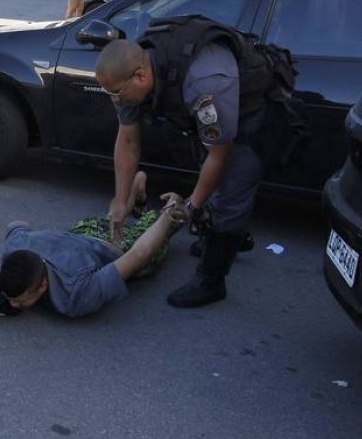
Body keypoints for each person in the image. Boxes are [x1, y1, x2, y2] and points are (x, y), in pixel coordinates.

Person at [94, 31, 269, 309]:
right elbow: (127, 138)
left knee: (229, 192)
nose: (114, 100)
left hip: (249, 117)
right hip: (211, 120)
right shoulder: (128, 76)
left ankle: (211, 280)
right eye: (109, 93)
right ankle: (230, 239)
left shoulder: (205, 83)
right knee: (210, 184)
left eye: (116, 93)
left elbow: (219, 156)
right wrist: (120, 200)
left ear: (140, 77)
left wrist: (188, 210)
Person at [0, 176, 188, 320]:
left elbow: (138, 255)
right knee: (112, 220)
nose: (14, 305)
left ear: (43, 285)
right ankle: (136, 191)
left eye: (20, 299)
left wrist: (168, 218)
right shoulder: (14, 248)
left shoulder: (76, 295)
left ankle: (172, 206)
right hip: (81, 231)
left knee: (153, 241)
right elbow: (16, 224)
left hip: (110, 248)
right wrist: (2, 278)